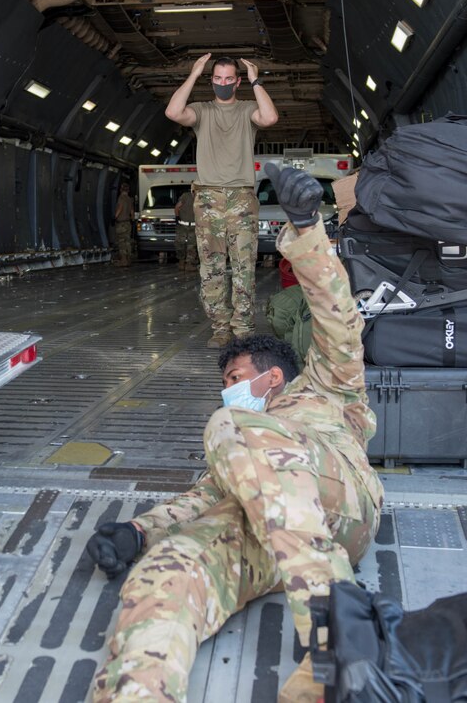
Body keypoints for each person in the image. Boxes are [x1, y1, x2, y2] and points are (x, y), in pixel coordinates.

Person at [88, 165, 384, 703]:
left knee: (231, 427)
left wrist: (305, 227)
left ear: (272, 376)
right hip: (271, 534)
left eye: (233, 378)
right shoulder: (241, 448)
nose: (227, 389)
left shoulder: (329, 388)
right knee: (169, 572)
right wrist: (140, 531)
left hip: (340, 506)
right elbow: (204, 498)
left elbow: (336, 315)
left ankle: (340, 628)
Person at [165, 53, 279, 348]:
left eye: (229, 79)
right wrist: (193, 73)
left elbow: (269, 118)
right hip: (208, 198)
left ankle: (243, 328)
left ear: (237, 81)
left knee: (244, 267)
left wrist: (256, 80)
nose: (223, 84)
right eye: (217, 79)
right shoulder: (201, 111)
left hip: (241, 197)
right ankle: (220, 327)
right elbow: (173, 112)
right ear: (211, 80)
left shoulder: (247, 109)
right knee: (212, 268)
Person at [173, 188, 198, 271]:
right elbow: (177, 207)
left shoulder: (201, 198)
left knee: (192, 246)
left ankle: (189, 264)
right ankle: (181, 261)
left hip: (194, 227)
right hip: (183, 226)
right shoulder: (186, 196)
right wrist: (177, 216)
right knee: (180, 244)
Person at [113, 180, 133, 267]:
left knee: (121, 242)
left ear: (121, 189)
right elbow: (132, 211)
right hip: (128, 223)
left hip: (121, 223)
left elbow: (120, 207)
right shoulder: (130, 199)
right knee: (127, 241)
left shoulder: (121, 198)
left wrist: (115, 217)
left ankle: (123, 261)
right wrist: (132, 219)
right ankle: (129, 259)